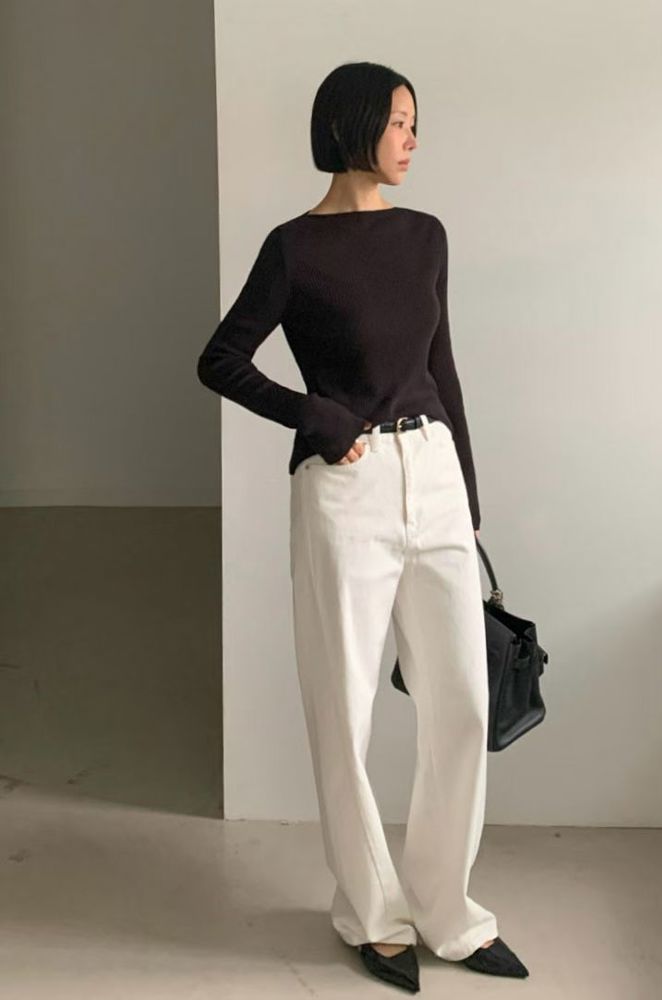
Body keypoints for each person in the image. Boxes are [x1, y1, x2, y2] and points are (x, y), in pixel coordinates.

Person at [197, 61, 529, 992]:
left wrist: (466, 496)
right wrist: (316, 414)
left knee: (462, 703)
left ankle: (449, 914)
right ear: (353, 126)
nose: (413, 139)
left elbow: (443, 366)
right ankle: (374, 918)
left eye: (416, 123)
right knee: (343, 711)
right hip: (344, 490)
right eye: (399, 121)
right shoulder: (294, 249)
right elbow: (220, 358)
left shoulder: (425, 236)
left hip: (432, 473)